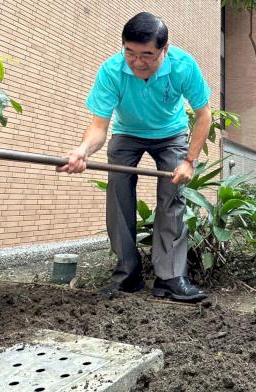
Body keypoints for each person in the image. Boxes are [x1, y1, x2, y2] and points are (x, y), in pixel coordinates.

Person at [56, 12, 210, 302]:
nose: (138, 62)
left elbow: (204, 115)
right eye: (131, 52)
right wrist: (82, 150)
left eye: (147, 55)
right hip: (127, 132)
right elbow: (99, 126)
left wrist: (189, 161)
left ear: (164, 50)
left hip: (171, 134)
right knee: (118, 190)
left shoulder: (183, 66)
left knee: (172, 196)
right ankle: (127, 274)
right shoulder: (111, 71)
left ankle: (170, 278)